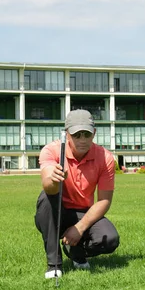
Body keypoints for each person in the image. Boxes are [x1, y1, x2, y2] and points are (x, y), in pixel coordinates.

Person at [34, 109, 119, 279]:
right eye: (76, 134)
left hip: (83, 212)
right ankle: (54, 265)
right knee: (45, 198)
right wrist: (55, 180)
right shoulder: (51, 151)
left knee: (110, 239)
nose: (82, 140)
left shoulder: (106, 157)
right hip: (57, 210)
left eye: (86, 134)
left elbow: (104, 201)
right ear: (66, 134)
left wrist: (79, 229)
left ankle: (76, 251)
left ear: (93, 134)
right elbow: (48, 188)